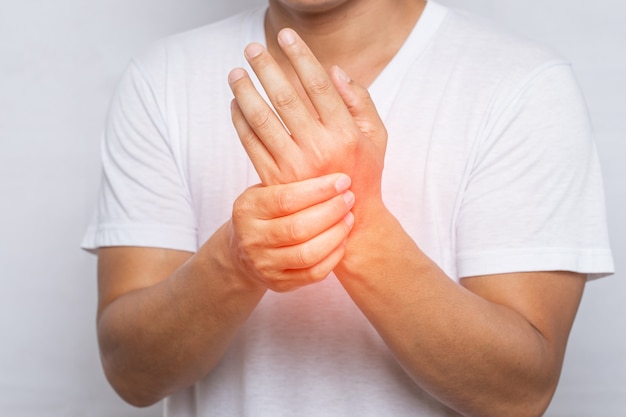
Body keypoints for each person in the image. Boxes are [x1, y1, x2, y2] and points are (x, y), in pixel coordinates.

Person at [82, 0, 614, 416]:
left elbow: (519, 393)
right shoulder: (161, 79)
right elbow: (132, 373)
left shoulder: (521, 86)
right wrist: (234, 263)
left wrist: (357, 225)